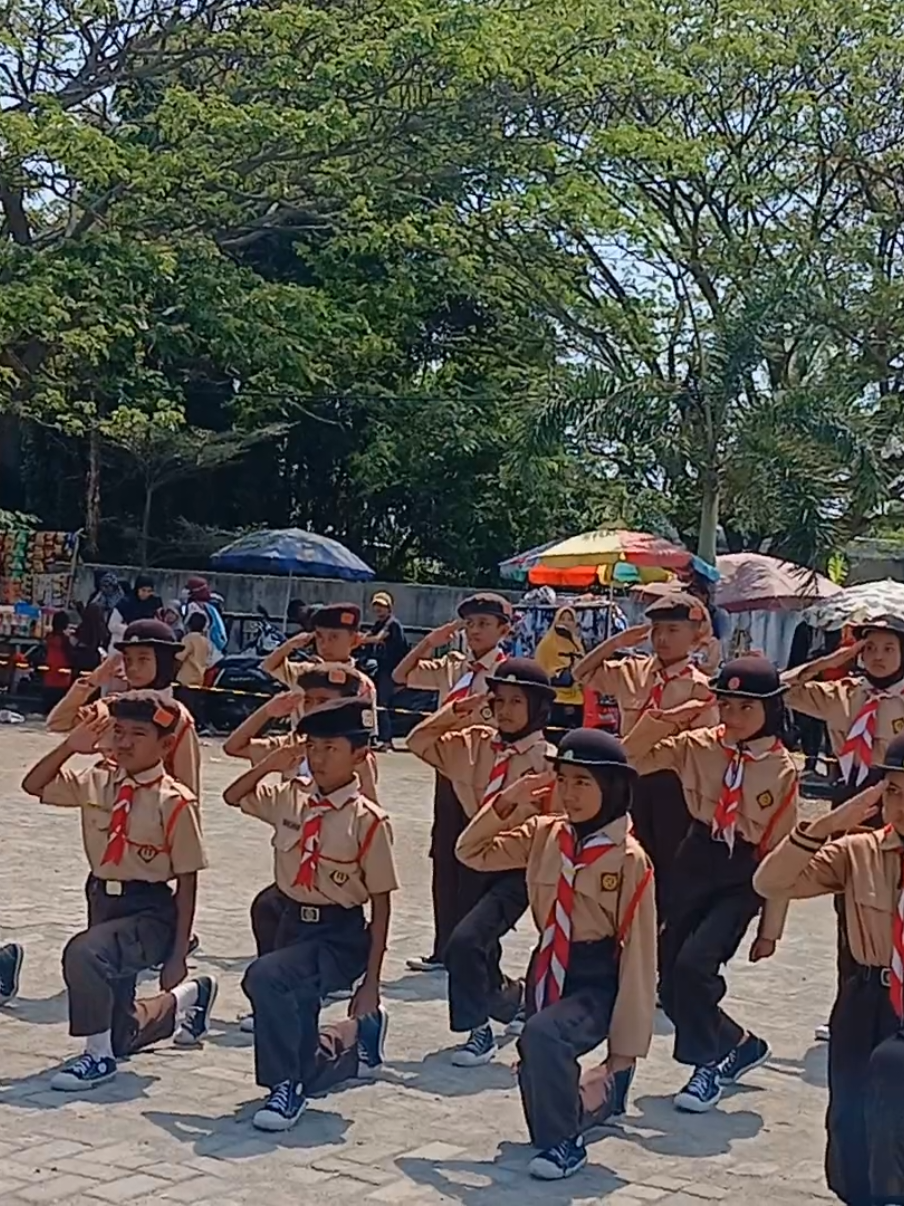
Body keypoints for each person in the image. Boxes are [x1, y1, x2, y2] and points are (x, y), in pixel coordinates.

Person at [456, 728, 655, 1181]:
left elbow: (640, 955)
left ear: (612, 787)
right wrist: (507, 801)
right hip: (547, 968)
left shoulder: (629, 859)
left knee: (544, 1036)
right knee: (536, 1061)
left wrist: (624, 1050)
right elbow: (470, 851)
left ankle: (568, 1145)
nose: (570, 793)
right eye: (563, 780)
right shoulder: (544, 835)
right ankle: (595, 1102)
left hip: (596, 977)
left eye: (583, 782)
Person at [622, 656, 798, 1113]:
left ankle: (706, 1066)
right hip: (695, 859)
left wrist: (770, 929)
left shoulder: (783, 770)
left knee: (695, 966)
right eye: (726, 705)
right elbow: (630, 759)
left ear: (770, 709)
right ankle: (739, 1043)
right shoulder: (698, 745)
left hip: (742, 876)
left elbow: (782, 853)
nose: (733, 716)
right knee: (669, 980)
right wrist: (665, 719)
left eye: (746, 707)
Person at [20, 694, 216, 1089]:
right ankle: (189, 998)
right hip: (102, 900)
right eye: (118, 731)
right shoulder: (98, 780)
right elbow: (33, 784)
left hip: (149, 910)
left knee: (85, 954)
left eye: (138, 734)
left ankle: (97, 1057)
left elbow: (188, 880)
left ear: (165, 745)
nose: (124, 742)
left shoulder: (173, 801)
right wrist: (69, 747)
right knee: (121, 1032)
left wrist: (177, 954)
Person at [223, 697, 398, 1132]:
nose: (318, 759)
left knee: (266, 977)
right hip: (292, 925)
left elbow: (382, 905)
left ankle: (285, 1088)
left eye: (330, 749)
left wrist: (371, 982)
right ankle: (354, 1039)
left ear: (360, 755)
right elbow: (233, 796)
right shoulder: (292, 798)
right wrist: (270, 764)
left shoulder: (368, 821)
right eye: (312, 747)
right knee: (301, 1032)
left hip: (338, 936)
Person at [754, 753, 904, 1206]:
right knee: (850, 1120)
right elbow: (771, 882)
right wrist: (825, 825)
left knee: (892, 1114)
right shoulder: (859, 852)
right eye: (894, 791)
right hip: (867, 996)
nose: (901, 804)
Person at [406, 658, 556, 1065]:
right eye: (498, 700)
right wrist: (456, 711)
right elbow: (418, 741)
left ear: (538, 708)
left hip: (516, 868)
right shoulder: (472, 743)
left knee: (466, 942)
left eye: (516, 701)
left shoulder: (550, 765)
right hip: (472, 857)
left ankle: (479, 1031)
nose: (504, 710)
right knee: (475, 946)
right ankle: (512, 999)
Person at [223, 663, 379, 1033]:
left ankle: (302, 989)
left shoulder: (354, 756)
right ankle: (276, 993)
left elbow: (368, 808)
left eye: (324, 700)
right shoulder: (292, 746)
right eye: (308, 700)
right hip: (296, 860)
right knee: (268, 909)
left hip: (334, 870)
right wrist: (268, 712)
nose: (312, 707)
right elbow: (234, 747)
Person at [574, 592, 719, 944]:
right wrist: (616, 643)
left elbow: (705, 748)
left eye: (673, 630)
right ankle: (622, 940)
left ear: (695, 635)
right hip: (627, 782)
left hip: (671, 787)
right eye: (657, 630)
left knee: (668, 871)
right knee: (621, 861)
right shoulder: (633, 671)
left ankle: (659, 946)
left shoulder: (700, 688)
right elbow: (581, 674)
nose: (662, 638)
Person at [783, 618, 904, 1040]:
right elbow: (780, 690)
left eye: (888, 648)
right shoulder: (844, 694)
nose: (877, 657)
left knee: (894, 909)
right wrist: (829, 661)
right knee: (850, 913)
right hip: (848, 808)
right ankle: (849, 1008)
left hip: (896, 808)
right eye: (869, 648)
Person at [393, 592, 513, 973]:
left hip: (485, 775)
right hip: (447, 769)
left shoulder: (508, 673)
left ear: (503, 630)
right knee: (444, 858)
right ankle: (442, 947)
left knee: (479, 860)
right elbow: (400, 676)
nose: (475, 631)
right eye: (470, 624)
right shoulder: (453, 667)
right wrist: (429, 643)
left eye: (484, 624)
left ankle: (475, 948)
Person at [47, 619, 201, 799]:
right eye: (127, 660)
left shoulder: (177, 718)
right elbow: (58, 723)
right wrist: (92, 682)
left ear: (163, 661)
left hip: (151, 810)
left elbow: (187, 788)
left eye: (143, 659)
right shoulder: (111, 707)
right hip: (108, 806)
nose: (133, 668)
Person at [360, 591, 408, 751]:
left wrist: (358, 640)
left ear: (389, 608)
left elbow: (377, 638)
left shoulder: (391, 624)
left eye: (382, 606)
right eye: (376, 606)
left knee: (382, 704)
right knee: (377, 701)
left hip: (393, 670)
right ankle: (376, 737)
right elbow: (369, 634)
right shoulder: (379, 623)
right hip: (383, 668)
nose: (378, 609)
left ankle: (387, 741)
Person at [175, 612, 212, 728]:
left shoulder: (188, 639)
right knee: (196, 705)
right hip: (199, 677)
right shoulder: (205, 641)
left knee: (184, 705)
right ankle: (200, 726)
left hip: (185, 678)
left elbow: (180, 656)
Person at [108, 575, 163, 646]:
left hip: (147, 643)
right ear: (137, 589)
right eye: (143, 590)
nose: (146, 594)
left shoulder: (154, 602)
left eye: (149, 591)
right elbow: (112, 625)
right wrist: (131, 631)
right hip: (123, 642)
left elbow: (159, 622)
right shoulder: (125, 603)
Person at [182, 577, 227, 663]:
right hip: (208, 652)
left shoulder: (202, 607)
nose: (208, 592)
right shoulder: (200, 608)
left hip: (208, 652)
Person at [42, 610, 75, 714]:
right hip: (62, 670)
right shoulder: (65, 640)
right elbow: (70, 654)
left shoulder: (49, 637)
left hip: (50, 668)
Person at [71, 601, 110, 676]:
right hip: (94, 658)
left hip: (81, 658)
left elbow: (77, 641)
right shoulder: (102, 628)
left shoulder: (84, 627)